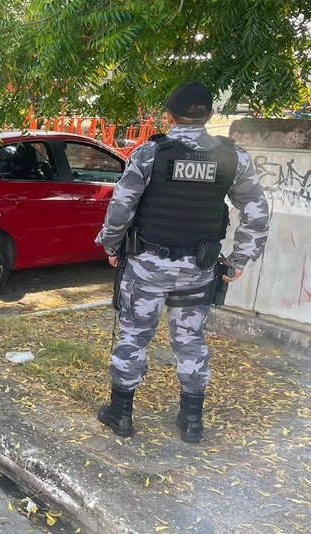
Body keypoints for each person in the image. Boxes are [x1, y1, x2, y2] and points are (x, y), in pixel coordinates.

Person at [94, 82, 270, 443]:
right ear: (210, 115)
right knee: (190, 340)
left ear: (169, 116)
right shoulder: (232, 157)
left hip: (146, 268)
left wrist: (111, 246)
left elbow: (121, 206)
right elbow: (257, 213)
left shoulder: (149, 153)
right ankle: (191, 422)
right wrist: (238, 261)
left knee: (133, 337)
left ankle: (121, 415)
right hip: (198, 270)